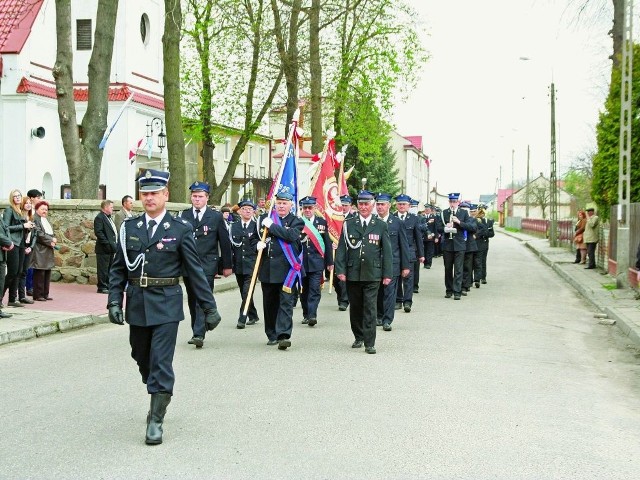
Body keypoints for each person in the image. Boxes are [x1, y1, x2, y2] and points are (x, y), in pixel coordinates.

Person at [107, 169, 221, 445]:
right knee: (140, 354)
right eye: (144, 194)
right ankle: (157, 388)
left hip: (167, 302)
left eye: (154, 193)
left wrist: (209, 307)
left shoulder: (180, 229)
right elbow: (118, 268)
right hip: (137, 301)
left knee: (160, 361)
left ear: (165, 195)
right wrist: (113, 300)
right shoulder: (129, 228)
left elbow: (195, 272)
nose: (148, 198)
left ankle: (155, 418)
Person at [335, 190, 392, 354]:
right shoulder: (349, 223)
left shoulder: (380, 224)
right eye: (361, 204)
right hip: (353, 272)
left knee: (370, 308)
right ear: (357, 205)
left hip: (373, 273)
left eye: (366, 204)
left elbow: (386, 251)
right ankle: (358, 336)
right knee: (356, 307)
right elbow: (341, 249)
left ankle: (369, 342)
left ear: (372, 205)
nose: (363, 207)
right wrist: (340, 270)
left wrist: (387, 274)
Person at [180, 181, 232, 348]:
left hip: (207, 265)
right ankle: (199, 327)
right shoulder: (184, 216)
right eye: (194, 196)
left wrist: (226, 265)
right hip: (188, 265)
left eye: (200, 196)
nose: (197, 199)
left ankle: (198, 333)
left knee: (202, 297)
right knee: (192, 298)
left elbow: (224, 242)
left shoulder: (216, 217)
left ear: (207, 198)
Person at [257, 189, 304, 350]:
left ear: (291, 205)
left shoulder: (296, 221)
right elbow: (252, 239)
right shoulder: (264, 219)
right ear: (275, 204)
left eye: (285, 203)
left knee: (286, 303)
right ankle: (271, 333)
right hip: (268, 269)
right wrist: (257, 246)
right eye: (279, 203)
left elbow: (290, 236)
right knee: (269, 304)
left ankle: (283, 335)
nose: (281, 206)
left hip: (287, 270)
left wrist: (272, 226)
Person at [374, 192, 410, 331]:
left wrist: (405, 266)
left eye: (382, 204)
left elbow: (403, 245)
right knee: (378, 292)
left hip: (393, 264)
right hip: (376, 264)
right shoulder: (373, 221)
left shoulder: (397, 223)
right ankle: (379, 315)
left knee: (390, 293)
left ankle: (387, 320)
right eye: (378, 204)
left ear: (389, 205)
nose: (380, 207)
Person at [299, 196, 334, 327]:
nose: (307, 210)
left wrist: (330, 262)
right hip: (301, 263)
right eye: (305, 208)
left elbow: (327, 243)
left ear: (314, 208)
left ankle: (312, 315)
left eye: (310, 207)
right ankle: (306, 314)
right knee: (304, 290)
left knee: (314, 289)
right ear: (302, 209)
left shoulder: (321, 222)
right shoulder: (298, 222)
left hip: (317, 262)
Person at [436, 193, 476, 300]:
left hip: (460, 245)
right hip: (447, 245)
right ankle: (449, 290)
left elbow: (470, 227)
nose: (453, 204)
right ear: (449, 202)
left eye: (455, 202)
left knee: (458, 269)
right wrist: (445, 227)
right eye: (451, 202)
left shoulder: (463, 213)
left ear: (458, 202)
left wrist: (459, 222)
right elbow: (438, 227)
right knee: (448, 269)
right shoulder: (444, 212)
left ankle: (457, 291)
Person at [230, 199, 260, 329]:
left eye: (250, 209)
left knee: (247, 292)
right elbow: (231, 246)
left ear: (254, 211)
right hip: (239, 265)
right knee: (244, 291)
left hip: (253, 264)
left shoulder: (257, 227)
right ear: (240, 211)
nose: (247, 211)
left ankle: (242, 318)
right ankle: (253, 314)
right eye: (244, 209)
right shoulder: (233, 226)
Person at [3, 190, 35, 307]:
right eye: (15, 196)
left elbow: (21, 229)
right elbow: (6, 228)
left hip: (21, 244)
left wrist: (28, 228)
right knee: (12, 272)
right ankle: (1, 297)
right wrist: (22, 226)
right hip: (13, 244)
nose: (17, 197)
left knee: (18, 272)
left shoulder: (20, 212)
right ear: (12, 198)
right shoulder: (9, 210)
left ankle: (12, 299)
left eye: (19, 196)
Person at [394, 194, 424, 312]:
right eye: (399, 204)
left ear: (408, 206)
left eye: (404, 204)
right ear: (396, 205)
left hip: (410, 251)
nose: (401, 206)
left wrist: (421, 254)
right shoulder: (392, 217)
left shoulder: (414, 219)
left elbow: (418, 238)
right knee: (396, 277)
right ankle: (398, 300)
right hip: (396, 252)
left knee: (408, 278)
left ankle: (407, 302)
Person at [32, 201, 57, 301]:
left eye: (46, 209)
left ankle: (45, 293)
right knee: (40, 272)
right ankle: (38, 295)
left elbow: (49, 233)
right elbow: (38, 234)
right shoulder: (35, 219)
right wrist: (51, 240)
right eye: (42, 209)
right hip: (39, 249)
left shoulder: (45, 220)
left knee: (47, 271)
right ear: (37, 209)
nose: (44, 211)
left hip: (47, 249)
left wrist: (53, 240)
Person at [333, 194, 354, 311]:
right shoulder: (333, 218)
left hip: (349, 252)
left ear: (350, 206)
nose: (343, 207)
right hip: (334, 251)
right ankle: (340, 296)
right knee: (335, 279)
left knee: (344, 277)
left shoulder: (353, 219)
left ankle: (344, 300)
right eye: (342, 205)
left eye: (346, 205)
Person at [94, 200, 118, 294]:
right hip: (103, 248)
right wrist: (107, 243)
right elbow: (99, 232)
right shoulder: (99, 218)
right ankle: (102, 286)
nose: (113, 209)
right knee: (103, 269)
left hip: (111, 248)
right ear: (106, 207)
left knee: (109, 268)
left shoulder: (109, 218)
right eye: (111, 207)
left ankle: (107, 285)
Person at [17, 196, 36, 303]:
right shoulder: (19, 217)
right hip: (20, 246)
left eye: (30, 203)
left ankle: (22, 296)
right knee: (17, 272)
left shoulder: (31, 217)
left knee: (24, 271)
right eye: (26, 203)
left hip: (28, 247)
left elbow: (35, 234)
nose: (28, 205)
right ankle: (13, 295)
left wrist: (31, 247)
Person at [474, 205, 494, 285]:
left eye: (483, 211)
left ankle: (483, 277)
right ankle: (477, 279)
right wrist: (481, 233)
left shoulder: (489, 221)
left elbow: (492, 233)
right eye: (480, 211)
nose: (482, 213)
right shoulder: (476, 220)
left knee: (483, 260)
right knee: (478, 260)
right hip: (478, 242)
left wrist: (486, 234)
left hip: (485, 242)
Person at [0, 216, 15, 318]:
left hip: (1, 254)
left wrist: (8, 242)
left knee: (0, 283)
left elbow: (6, 228)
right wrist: (8, 242)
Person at [422, 204, 437, 269]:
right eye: (426, 209)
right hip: (423, 237)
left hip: (431, 237)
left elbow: (436, 227)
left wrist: (436, 237)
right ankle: (425, 263)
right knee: (424, 251)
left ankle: (428, 263)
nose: (427, 210)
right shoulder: (422, 217)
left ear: (430, 210)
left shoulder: (434, 217)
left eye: (428, 209)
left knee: (429, 251)